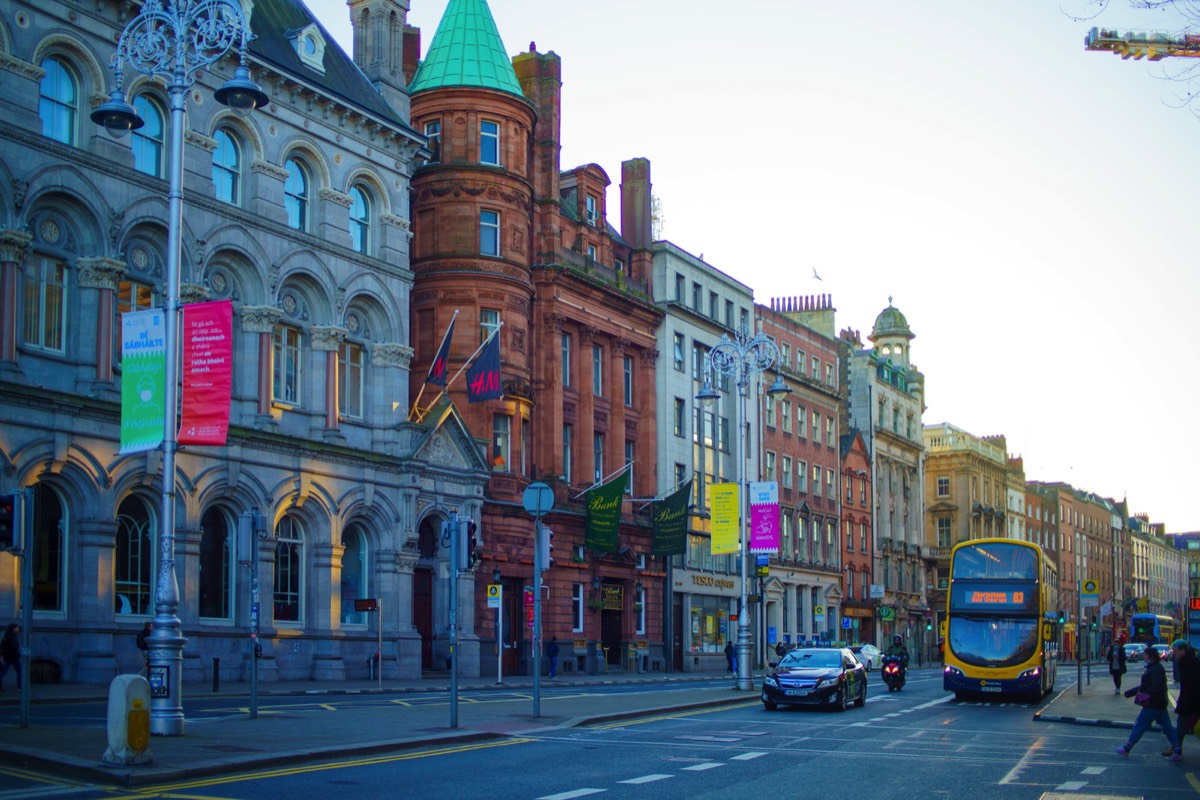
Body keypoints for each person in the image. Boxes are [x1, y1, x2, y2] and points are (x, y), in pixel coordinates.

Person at [1114, 643, 1182, 760]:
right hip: (1159, 703)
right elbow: (1146, 685)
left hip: (1153, 704)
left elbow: (1152, 686)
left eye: (1146, 655)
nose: (1144, 657)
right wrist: (1132, 692)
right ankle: (1177, 750)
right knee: (1167, 727)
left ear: (1151, 657)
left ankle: (1127, 748)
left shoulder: (1156, 669)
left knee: (1140, 724)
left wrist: (1144, 695)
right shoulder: (1155, 668)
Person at [1168, 639, 1200, 757]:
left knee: (1181, 725)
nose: (1174, 654)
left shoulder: (1188, 662)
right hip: (1191, 700)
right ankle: (1176, 749)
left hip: (1190, 700)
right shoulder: (1189, 660)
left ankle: (1177, 751)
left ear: (1183, 650)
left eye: (1175, 651)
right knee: (1182, 725)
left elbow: (1193, 683)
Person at [0, 623, 20, 691]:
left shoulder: (5, 636)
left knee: (2, 672)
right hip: (13, 657)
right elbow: (14, 648)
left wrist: (2, 655)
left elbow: (2, 647)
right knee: (20, 671)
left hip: (7, 657)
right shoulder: (12, 637)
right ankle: (20, 687)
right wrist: (17, 654)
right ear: (14, 628)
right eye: (17, 628)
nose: (18, 629)